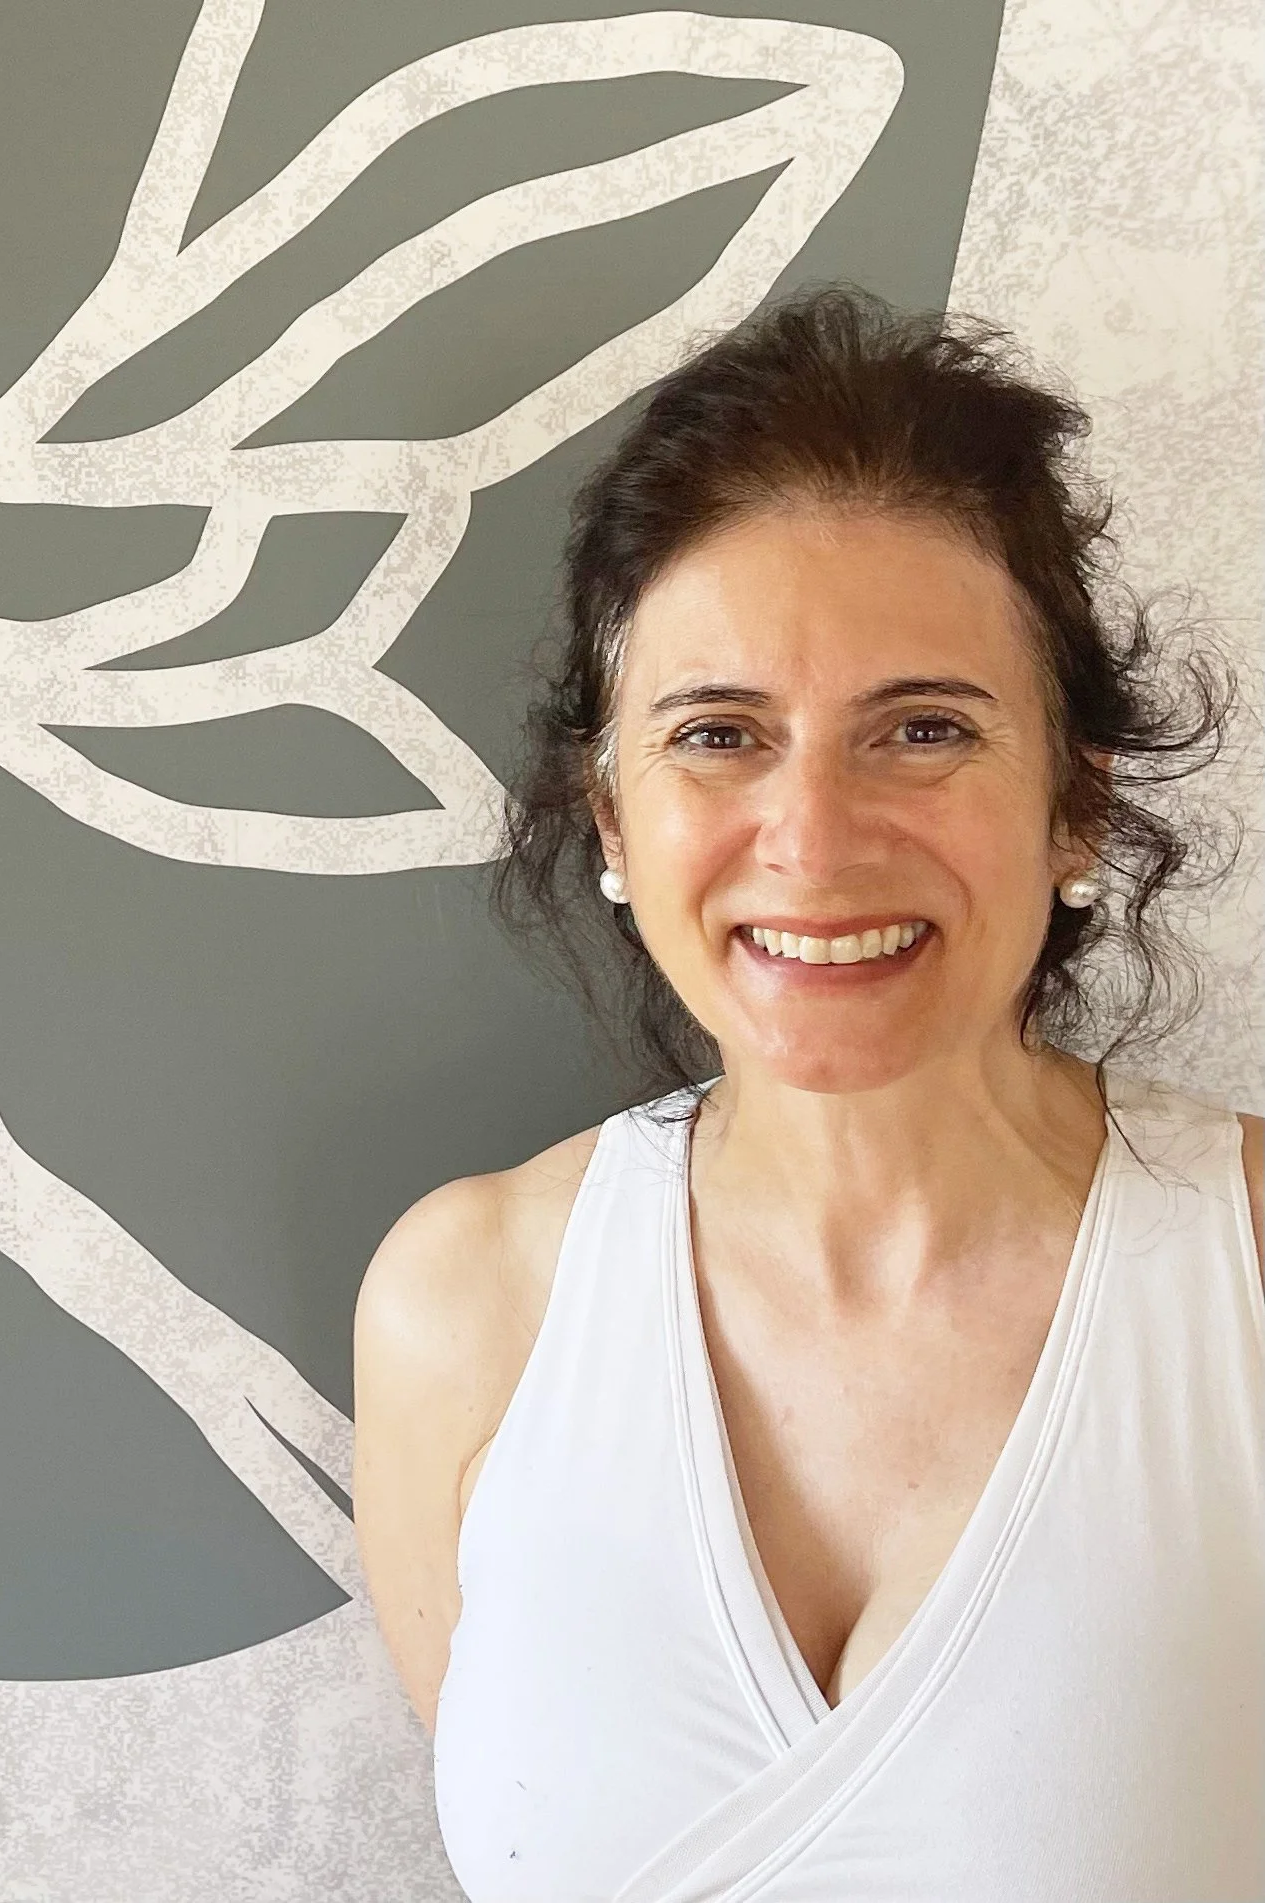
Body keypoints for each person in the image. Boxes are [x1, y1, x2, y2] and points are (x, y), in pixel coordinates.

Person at [351, 287, 1264, 1902]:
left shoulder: (1243, 1269)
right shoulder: (465, 1303)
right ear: (613, 821)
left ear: (1071, 806)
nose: (815, 839)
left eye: (921, 729)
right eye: (717, 733)